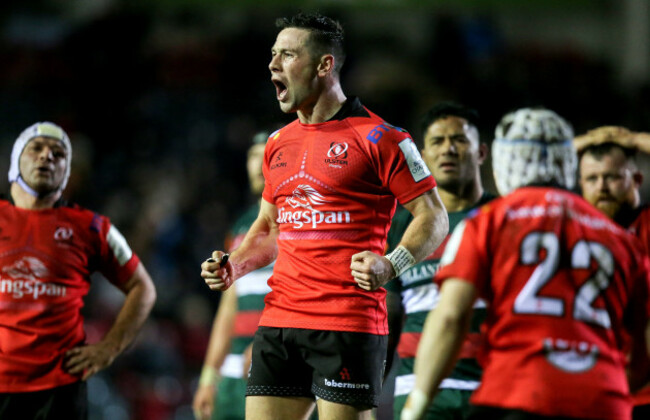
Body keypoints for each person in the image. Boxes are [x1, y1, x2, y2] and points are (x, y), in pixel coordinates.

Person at [201, 12, 449, 420]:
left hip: (347, 325)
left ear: (324, 65)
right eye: (272, 54)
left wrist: (392, 264)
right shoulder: (277, 143)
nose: (273, 65)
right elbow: (268, 228)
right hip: (279, 320)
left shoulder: (382, 137)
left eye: (287, 54)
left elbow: (433, 216)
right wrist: (235, 265)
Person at [402, 108, 650, 420]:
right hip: (603, 400)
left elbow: (450, 318)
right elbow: (641, 355)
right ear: (569, 163)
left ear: (503, 160)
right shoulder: (622, 240)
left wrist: (416, 405)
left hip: (518, 394)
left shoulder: (488, 222)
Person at [0, 121, 156, 419]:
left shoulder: (92, 227)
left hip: (60, 390)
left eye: (58, 153)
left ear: (67, 171)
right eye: (36, 148)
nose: (47, 156)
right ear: (16, 158)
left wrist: (109, 348)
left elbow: (143, 289)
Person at [385, 102, 494, 420]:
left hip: (489, 387)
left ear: (481, 153)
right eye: (437, 141)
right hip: (417, 392)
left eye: (459, 139)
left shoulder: (505, 218)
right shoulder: (403, 227)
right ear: (422, 156)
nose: (448, 148)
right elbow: (389, 314)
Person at [193, 131, 273, 420]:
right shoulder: (241, 223)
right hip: (232, 370)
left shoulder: (300, 216)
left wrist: (269, 340)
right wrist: (208, 378)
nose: (257, 163)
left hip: (277, 361)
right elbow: (229, 306)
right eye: (253, 155)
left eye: (267, 154)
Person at [574, 125, 650, 419]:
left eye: (613, 177)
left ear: (637, 180)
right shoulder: (571, 230)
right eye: (592, 178)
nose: (601, 186)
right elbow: (527, 170)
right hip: (589, 389)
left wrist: (632, 140)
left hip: (643, 395)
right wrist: (588, 140)